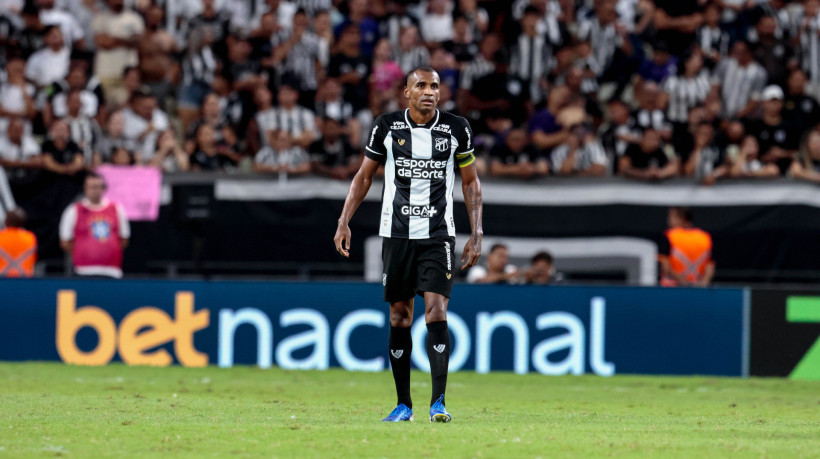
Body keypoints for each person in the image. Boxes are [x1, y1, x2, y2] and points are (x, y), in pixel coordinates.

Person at [334, 66, 483, 423]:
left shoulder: (457, 128)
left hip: (438, 234)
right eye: (421, 86)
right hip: (397, 234)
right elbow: (364, 176)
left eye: (434, 86)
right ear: (407, 92)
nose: (429, 91)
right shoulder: (386, 126)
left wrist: (477, 231)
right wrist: (343, 220)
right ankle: (404, 405)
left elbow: (471, 182)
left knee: (436, 311)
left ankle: (438, 403)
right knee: (400, 315)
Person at [59, 172, 130, 278]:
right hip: (83, 271)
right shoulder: (73, 210)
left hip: (111, 271)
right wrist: (83, 252)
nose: (95, 191)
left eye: (97, 187)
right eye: (91, 187)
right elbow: (65, 242)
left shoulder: (117, 209)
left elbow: (124, 239)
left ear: (103, 188)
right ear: (85, 188)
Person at [659, 207, 715, 287]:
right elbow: (710, 267)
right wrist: (703, 285)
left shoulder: (669, 236)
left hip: (671, 288)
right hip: (698, 287)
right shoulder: (705, 237)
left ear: (682, 218)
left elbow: (666, 267)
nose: (669, 221)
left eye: (671, 217)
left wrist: (684, 283)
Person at [0, 208, 37, 277]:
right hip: (25, 279)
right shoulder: (30, 237)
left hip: (2, 279)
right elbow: (34, 258)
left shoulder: (1, 237)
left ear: (6, 222)